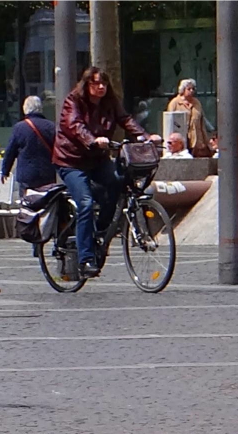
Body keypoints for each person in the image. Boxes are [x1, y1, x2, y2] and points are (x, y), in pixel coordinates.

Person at [53, 67, 159, 278]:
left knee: (117, 183)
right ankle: (85, 260)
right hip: (71, 161)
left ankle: (100, 230)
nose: (101, 87)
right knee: (85, 203)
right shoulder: (73, 101)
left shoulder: (110, 101)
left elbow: (125, 119)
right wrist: (92, 140)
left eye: (104, 83)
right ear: (86, 85)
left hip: (98, 159)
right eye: (95, 83)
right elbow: (75, 125)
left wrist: (145, 136)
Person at [1, 95, 57, 193]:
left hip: (27, 175)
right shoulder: (51, 126)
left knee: (27, 203)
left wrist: (5, 171)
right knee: (47, 202)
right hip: (47, 173)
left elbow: (10, 151)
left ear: (25, 109)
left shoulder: (20, 127)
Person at [166, 78, 213, 158]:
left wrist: (206, 141)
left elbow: (202, 121)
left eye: (193, 89)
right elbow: (170, 122)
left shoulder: (197, 102)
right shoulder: (174, 103)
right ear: (183, 90)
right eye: (189, 89)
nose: (191, 91)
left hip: (196, 140)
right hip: (182, 139)